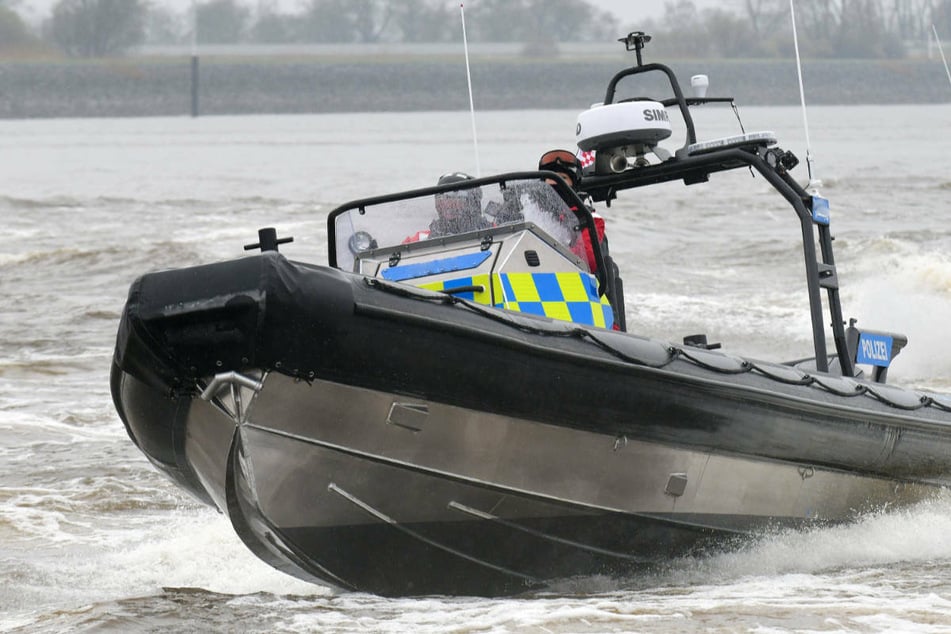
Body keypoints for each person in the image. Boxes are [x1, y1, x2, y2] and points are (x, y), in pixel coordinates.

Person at [537, 149, 607, 272]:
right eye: (551, 177)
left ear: (573, 185)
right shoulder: (531, 212)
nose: (556, 182)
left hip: (573, 282)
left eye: (563, 178)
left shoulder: (588, 218)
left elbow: (585, 260)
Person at [403, 172, 489, 243]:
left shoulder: (493, 231)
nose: (449, 204)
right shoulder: (418, 240)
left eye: (458, 197)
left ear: (472, 202)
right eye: (442, 197)